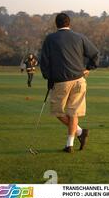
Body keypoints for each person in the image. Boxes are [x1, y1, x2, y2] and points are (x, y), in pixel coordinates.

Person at [40, 13, 99, 153]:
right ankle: (78, 134)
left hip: (61, 82)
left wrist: (48, 77)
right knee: (72, 114)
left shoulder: (50, 39)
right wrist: (88, 68)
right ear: (69, 23)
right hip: (79, 80)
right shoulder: (79, 37)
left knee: (58, 112)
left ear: (56, 23)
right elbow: (95, 54)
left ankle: (70, 144)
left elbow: (44, 62)